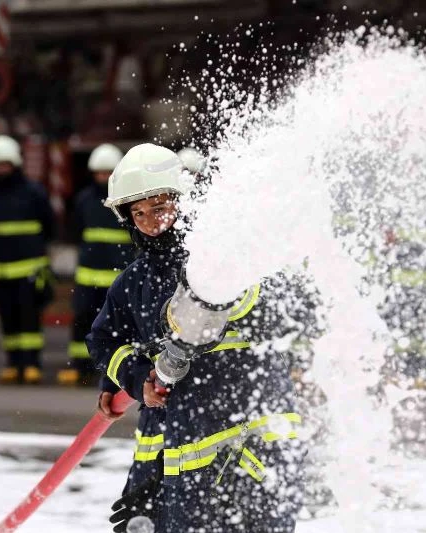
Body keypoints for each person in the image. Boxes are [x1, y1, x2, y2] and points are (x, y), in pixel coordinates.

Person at [88, 143, 304, 533]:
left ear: (182, 201)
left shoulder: (227, 260)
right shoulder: (133, 281)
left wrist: (215, 307)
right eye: (138, 213)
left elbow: (275, 313)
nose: (150, 223)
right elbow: (105, 339)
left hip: (250, 441)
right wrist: (132, 381)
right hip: (181, 450)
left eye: (158, 208)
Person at [0, 135, 54, 384]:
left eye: (5, 165)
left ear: (16, 165)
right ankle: (13, 362)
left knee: (29, 319)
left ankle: (31, 363)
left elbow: (48, 227)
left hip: (29, 270)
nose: (1, 170)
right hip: (0, 272)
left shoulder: (34, 193)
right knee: (8, 319)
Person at [58, 143, 133, 386]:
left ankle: (109, 371)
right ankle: (80, 366)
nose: (103, 178)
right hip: (87, 278)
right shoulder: (84, 201)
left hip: (116, 280)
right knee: (82, 322)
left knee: (115, 327)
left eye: (108, 173)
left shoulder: (126, 203)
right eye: (99, 173)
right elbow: (75, 232)